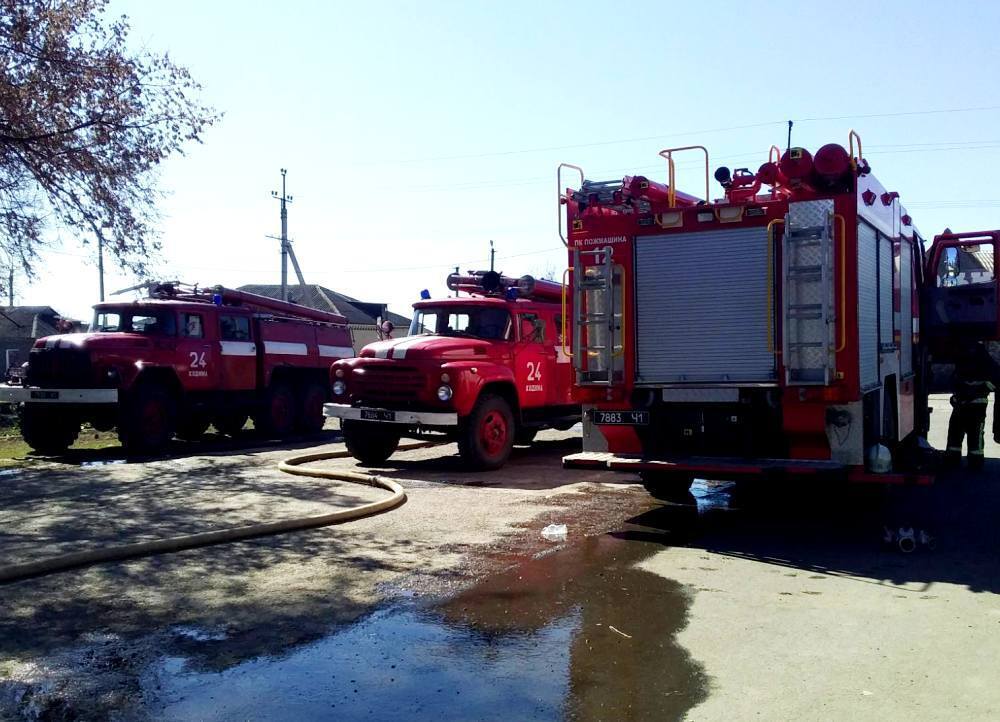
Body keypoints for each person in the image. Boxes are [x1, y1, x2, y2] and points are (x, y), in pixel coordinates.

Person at [945, 341, 1000, 471]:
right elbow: (956, 378)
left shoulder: (984, 361)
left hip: (976, 405)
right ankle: (957, 458)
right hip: (963, 403)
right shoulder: (966, 358)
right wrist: (957, 396)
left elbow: (996, 379)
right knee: (956, 431)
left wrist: (978, 390)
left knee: (972, 433)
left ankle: (973, 461)